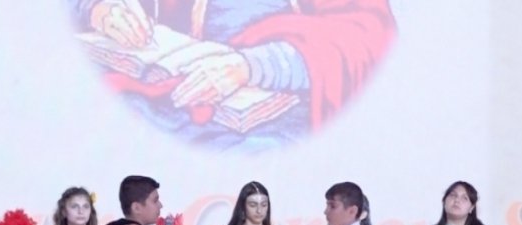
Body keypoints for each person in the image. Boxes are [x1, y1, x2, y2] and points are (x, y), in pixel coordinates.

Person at [70, 0, 396, 150]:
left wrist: (252, 66)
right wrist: (97, 8)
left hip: (268, 118)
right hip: (166, 94)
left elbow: (365, 34)